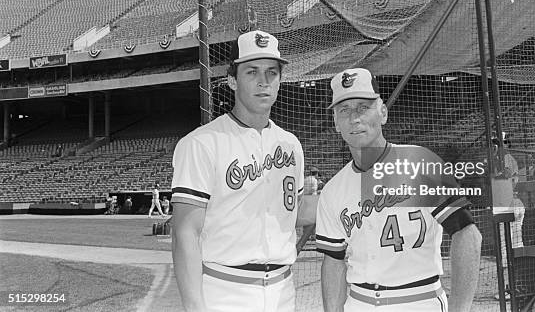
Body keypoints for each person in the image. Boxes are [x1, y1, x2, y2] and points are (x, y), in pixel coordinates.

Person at [171, 30, 317, 312]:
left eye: (272, 73)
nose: (263, 82)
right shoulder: (201, 143)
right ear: (232, 81)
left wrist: (355, 191)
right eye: (252, 72)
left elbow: (293, 211)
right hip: (226, 290)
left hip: (283, 290)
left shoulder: (290, 144)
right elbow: (185, 233)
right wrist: (194, 306)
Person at [316, 68, 482, 312]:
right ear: (336, 123)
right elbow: (333, 261)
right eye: (344, 110)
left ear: (382, 113)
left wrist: (460, 309)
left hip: (419, 300)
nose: (355, 118)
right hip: (359, 303)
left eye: (363, 107)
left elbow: (468, 235)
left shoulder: (420, 163)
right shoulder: (332, 191)